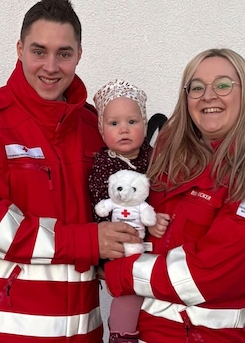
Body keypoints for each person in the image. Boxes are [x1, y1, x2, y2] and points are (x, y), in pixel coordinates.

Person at [0, 0, 141, 342]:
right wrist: (89, 241)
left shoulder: (92, 129)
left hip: (82, 334)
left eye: (64, 54)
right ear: (20, 50)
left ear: (78, 55)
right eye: (39, 51)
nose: (51, 67)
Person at [103, 48, 245, 342]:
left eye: (223, 85)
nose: (208, 95)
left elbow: (204, 275)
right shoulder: (169, 167)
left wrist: (118, 272)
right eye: (197, 87)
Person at [88, 79, 153, 342]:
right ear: (102, 131)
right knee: (128, 289)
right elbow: (98, 209)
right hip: (118, 243)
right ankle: (121, 334)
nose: (123, 130)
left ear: (145, 125)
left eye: (132, 122)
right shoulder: (103, 165)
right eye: (114, 124)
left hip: (149, 241)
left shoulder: (154, 158)